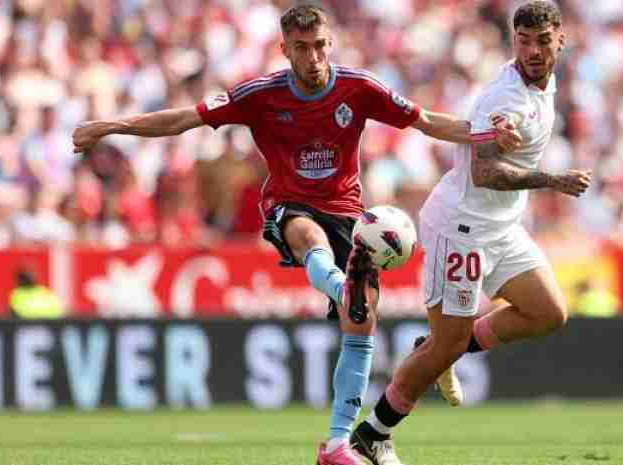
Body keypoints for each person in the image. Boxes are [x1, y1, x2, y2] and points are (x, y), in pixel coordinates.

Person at [72, 5, 521, 465]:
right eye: (302, 48)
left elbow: (425, 120)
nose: (314, 57)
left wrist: (486, 134)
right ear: (284, 49)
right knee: (310, 238)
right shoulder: (259, 95)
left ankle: (337, 445)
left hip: (348, 213)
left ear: (330, 44)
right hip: (290, 205)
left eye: (320, 46)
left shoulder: (359, 87)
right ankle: (343, 288)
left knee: (361, 324)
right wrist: (111, 126)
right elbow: (184, 119)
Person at [350, 2, 593, 464]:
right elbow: (484, 173)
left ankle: (440, 349)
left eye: (542, 41)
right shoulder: (506, 99)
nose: (533, 51)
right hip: (460, 227)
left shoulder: (544, 84)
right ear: (513, 41)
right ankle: (373, 433)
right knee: (449, 343)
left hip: (500, 226)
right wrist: (550, 179)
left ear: (560, 40)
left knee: (547, 312)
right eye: (524, 41)